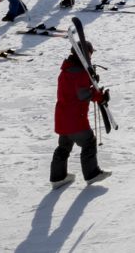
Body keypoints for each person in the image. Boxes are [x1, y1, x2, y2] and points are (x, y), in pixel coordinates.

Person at [51, 38, 111, 187]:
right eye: (90, 54)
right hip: (75, 118)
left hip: (62, 116)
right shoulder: (80, 73)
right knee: (89, 141)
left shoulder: (67, 70)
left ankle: (58, 178)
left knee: (64, 146)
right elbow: (83, 94)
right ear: (86, 54)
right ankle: (92, 174)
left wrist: (91, 82)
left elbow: (75, 90)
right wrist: (99, 96)